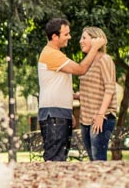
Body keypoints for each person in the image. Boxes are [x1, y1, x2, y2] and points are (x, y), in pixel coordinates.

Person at [38, 18, 105, 162]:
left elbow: (56, 85)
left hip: (58, 113)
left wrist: (71, 102)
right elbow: (81, 69)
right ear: (55, 37)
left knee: (59, 158)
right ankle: (51, 184)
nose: (70, 37)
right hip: (54, 115)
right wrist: (94, 48)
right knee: (55, 160)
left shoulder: (55, 54)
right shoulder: (52, 55)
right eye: (66, 34)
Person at [75, 27, 117, 161]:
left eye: (84, 38)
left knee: (98, 160)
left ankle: (105, 182)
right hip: (86, 119)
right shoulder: (88, 62)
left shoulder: (105, 60)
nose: (80, 41)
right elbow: (94, 88)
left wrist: (100, 115)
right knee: (93, 161)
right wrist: (76, 95)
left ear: (96, 40)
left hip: (101, 119)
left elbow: (109, 89)